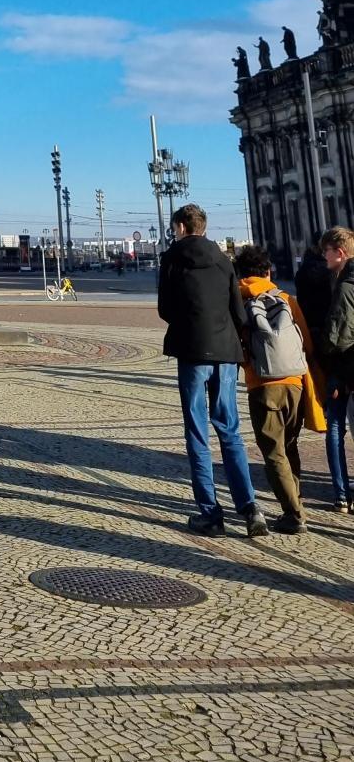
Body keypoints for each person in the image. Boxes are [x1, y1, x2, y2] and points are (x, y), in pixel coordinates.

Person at [158, 203, 268, 537]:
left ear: (181, 227)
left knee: (197, 431)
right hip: (225, 352)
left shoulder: (172, 259)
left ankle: (210, 513)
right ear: (203, 227)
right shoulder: (223, 260)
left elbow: (165, 309)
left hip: (192, 352)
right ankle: (250, 508)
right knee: (230, 429)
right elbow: (239, 312)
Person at [234, 245, 317, 533]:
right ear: (268, 272)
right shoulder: (285, 298)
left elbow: (238, 346)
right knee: (290, 445)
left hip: (262, 385)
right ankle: (296, 501)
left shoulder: (239, 299)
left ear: (240, 274)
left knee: (273, 452)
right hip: (295, 383)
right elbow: (306, 342)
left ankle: (294, 514)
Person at [319, 226, 354, 512]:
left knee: (334, 426)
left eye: (327, 252)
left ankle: (342, 493)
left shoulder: (344, 287)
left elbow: (336, 336)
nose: (324, 257)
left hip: (344, 368)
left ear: (340, 253)